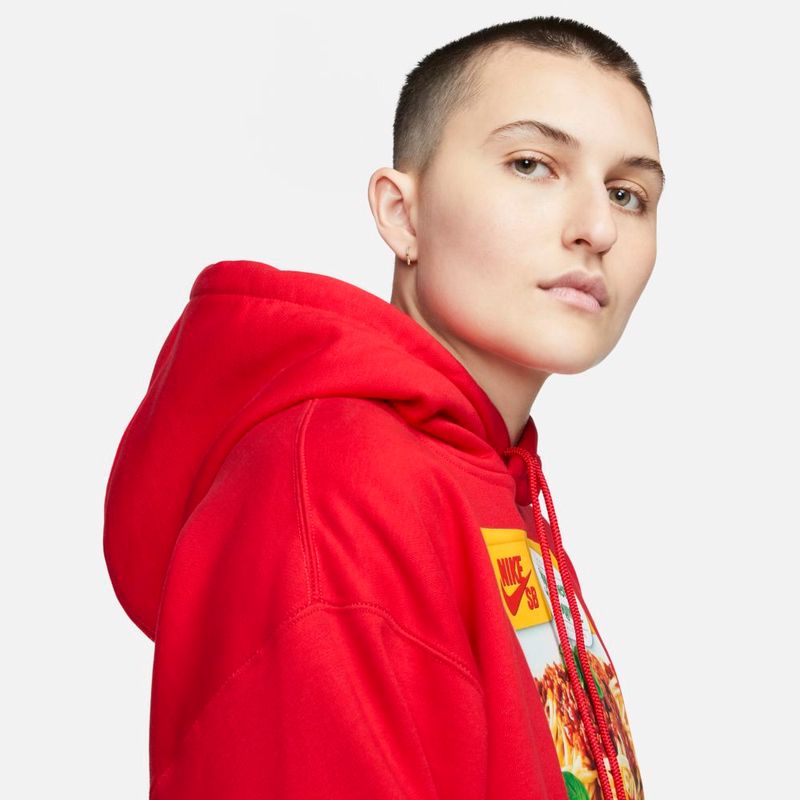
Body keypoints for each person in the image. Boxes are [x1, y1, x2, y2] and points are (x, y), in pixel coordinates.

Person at [103, 15, 663, 800]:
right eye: (532, 165)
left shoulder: (485, 477)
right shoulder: (339, 483)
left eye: (628, 194)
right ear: (403, 214)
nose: (598, 228)